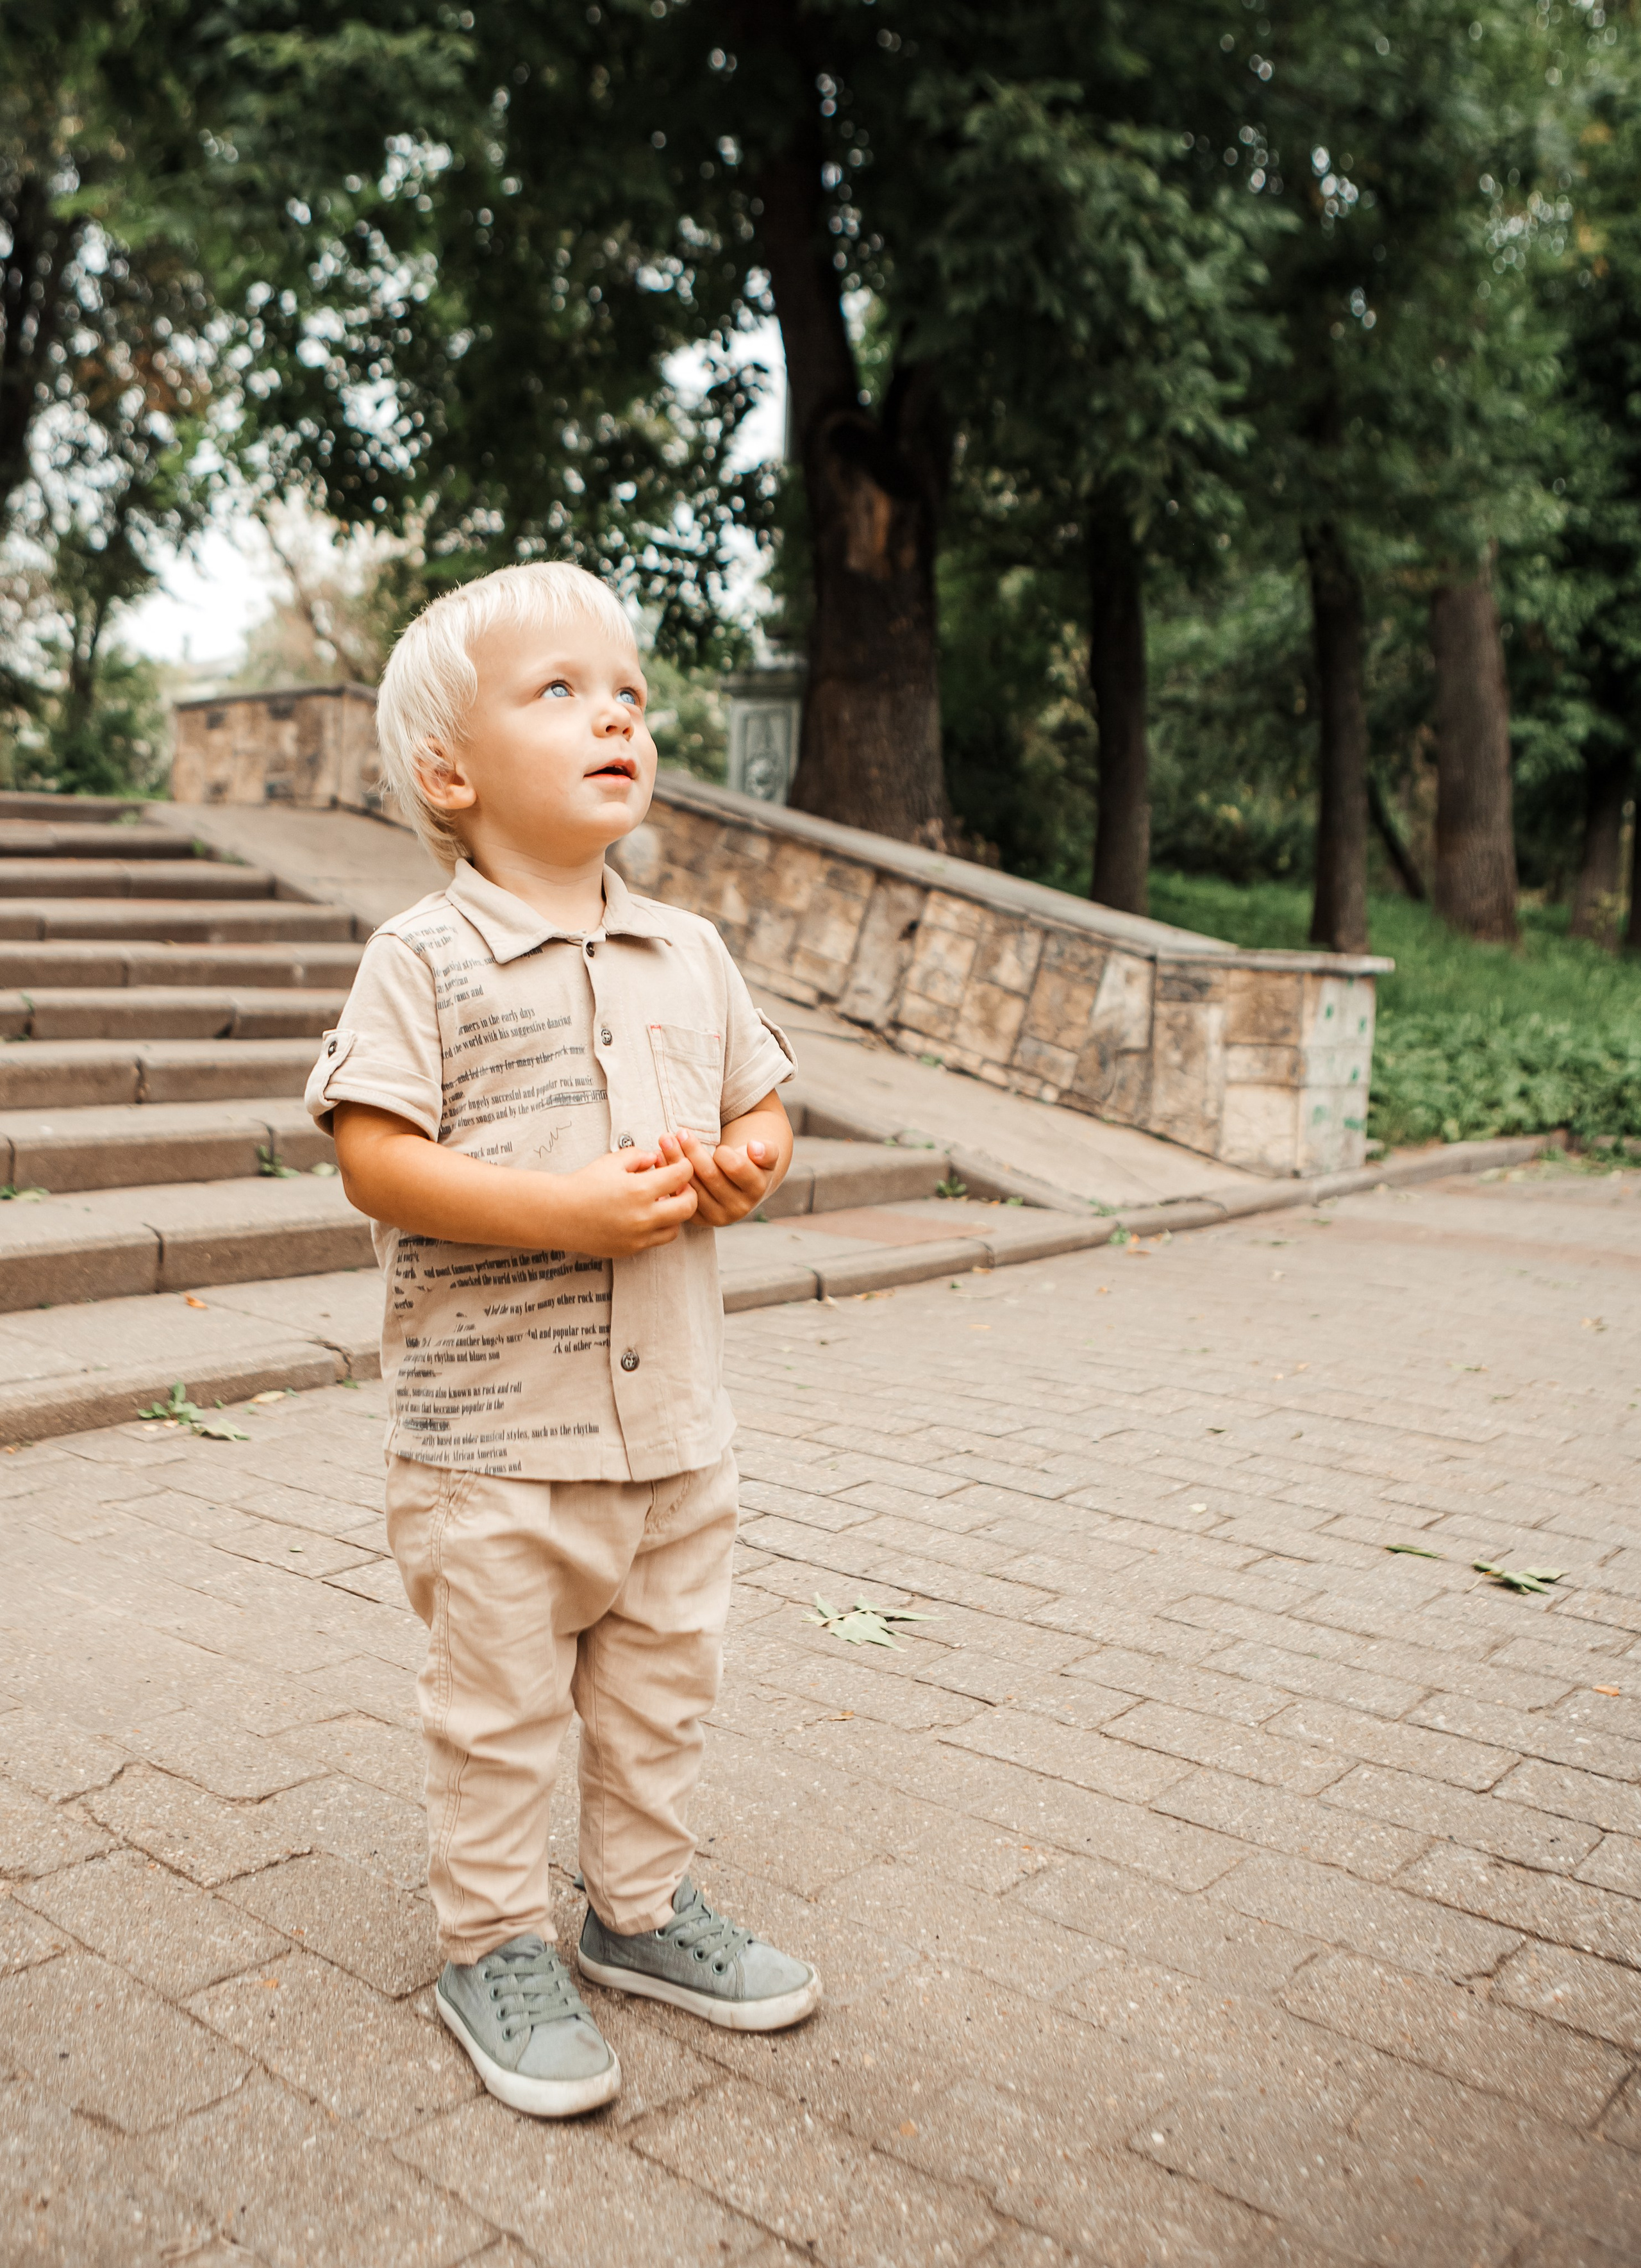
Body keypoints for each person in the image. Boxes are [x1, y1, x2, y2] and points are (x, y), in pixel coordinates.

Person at [306, 560, 821, 2119]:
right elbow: (373, 1157)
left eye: (630, 695)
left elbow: (762, 1100)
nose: (614, 714)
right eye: (560, 691)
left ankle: (639, 1911)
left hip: (674, 1436)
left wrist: (754, 1158)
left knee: (664, 1692)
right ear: (448, 774)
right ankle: (490, 1944)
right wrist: (563, 1210)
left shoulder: (690, 952)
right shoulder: (423, 958)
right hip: (491, 1452)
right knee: (500, 1711)